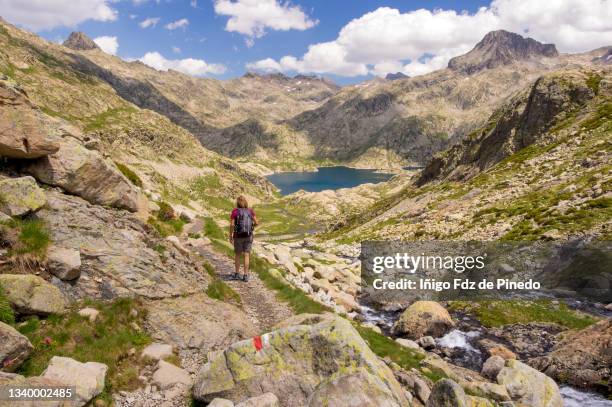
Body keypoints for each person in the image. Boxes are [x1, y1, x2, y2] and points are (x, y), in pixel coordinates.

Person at [229, 195, 258, 281]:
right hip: (248, 236)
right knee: (246, 255)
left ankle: (237, 274)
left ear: (237, 203)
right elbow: (256, 222)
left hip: (238, 236)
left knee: (238, 255)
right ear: (245, 202)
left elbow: (232, 225)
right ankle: (245, 275)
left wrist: (230, 235)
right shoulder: (250, 211)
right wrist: (251, 227)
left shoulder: (235, 211)